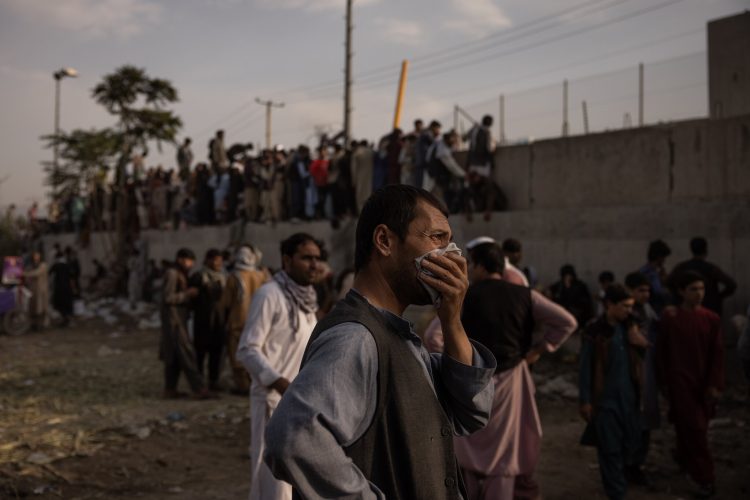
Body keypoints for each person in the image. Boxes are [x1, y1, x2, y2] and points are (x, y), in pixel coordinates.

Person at [263, 185, 496, 499]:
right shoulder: (355, 338)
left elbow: (472, 410)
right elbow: (292, 438)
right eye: (436, 238)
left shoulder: (398, 335)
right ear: (385, 241)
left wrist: (451, 320)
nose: (450, 254)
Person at [424, 241, 576, 499]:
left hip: (472, 382)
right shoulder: (524, 294)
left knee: (469, 449)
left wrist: (457, 364)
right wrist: (537, 350)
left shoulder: (464, 297)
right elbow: (567, 322)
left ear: (481, 266)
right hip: (512, 380)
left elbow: (432, 336)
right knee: (504, 454)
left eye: (472, 264)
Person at [236, 233, 321, 500]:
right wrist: (281, 383)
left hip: (301, 401)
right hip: (272, 400)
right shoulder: (269, 294)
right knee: (272, 479)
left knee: (296, 477)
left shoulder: (308, 299)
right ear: (287, 260)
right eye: (306, 258)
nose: (313, 265)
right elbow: (247, 349)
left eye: (316, 259)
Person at [657, 271, 724, 498]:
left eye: (702, 289)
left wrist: (714, 384)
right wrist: (664, 381)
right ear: (681, 292)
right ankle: (706, 479)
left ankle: (688, 463)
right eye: (694, 289)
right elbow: (662, 352)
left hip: (703, 384)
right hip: (679, 383)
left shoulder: (711, 319)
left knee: (696, 428)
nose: (699, 294)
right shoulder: (671, 318)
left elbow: (717, 355)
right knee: (693, 430)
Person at [579, 285, 649, 500]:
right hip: (606, 403)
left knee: (628, 446)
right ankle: (616, 493)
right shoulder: (594, 332)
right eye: (625, 306)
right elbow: (585, 369)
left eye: (631, 306)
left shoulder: (629, 328)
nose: (629, 310)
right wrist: (586, 401)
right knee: (610, 451)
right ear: (610, 305)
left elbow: (641, 360)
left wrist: (639, 342)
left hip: (628, 400)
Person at [160, 248, 211, 399]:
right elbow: (168, 298)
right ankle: (199, 389)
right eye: (189, 261)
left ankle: (170, 389)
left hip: (179, 320)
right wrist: (187, 295)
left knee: (174, 356)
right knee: (186, 354)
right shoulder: (172, 273)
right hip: (174, 321)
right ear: (181, 259)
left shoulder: (180, 274)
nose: (191, 265)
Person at [624, 272, 660, 485]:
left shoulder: (647, 310)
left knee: (645, 419)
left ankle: (636, 464)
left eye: (648, 290)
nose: (646, 294)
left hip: (647, 371)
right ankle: (628, 464)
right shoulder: (626, 312)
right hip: (630, 371)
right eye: (641, 290)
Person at [221, 245, 268, 394]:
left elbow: (226, 302)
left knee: (238, 355)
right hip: (258, 320)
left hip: (238, 321)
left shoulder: (234, 277)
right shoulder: (261, 276)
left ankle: (243, 387)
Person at [667, 237, 737, 316]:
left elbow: (669, 282)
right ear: (705, 250)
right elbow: (731, 284)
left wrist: (680, 297)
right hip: (709, 307)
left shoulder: (681, 267)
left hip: (689, 310)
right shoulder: (711, 269)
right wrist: (718, 297)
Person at [190, 249, 227, 392]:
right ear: (208, 260)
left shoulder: (224, 278)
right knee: (200, 353)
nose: (218, 263)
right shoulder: (199, 277)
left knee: (216, 353)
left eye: (220, 260)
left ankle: (213, 381)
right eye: (216, 260)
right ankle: (199, 383)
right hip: (203, 322)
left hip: (219, 322)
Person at [549, 264, 593, 328]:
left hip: (576, 309)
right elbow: (552, 291)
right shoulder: (560, 285)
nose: (568, 277)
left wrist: (569, 288)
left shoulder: (580, 285)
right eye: (565, 276)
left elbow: (584, 300)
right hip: (562, 309)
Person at [639, 239, 671, 314]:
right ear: (659, 256)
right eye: (663, 257)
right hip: (654, 309)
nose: (664, 260)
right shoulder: (650, 273)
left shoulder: (652, 271)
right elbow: (658, 292)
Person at [24, 251, 48, 331]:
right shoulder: (31, 265)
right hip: (33, 289)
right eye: (35, 256)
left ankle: (41, 325)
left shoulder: (43, 265)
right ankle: (34, 324)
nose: (36, 257)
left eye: (37, 255)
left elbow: (37, 273)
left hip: (41, 290)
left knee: (41, 308)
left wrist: (25, 274)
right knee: (33, 308)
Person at [48, 252, 74, 327]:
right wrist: (73, 287)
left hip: (59, 288)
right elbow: (71, 277)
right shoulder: (67, 265)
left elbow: (49, 273)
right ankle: (67, 319)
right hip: (67, 287)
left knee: (59, 303)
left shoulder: (56, 265)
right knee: (67, 303)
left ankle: (65, 319)